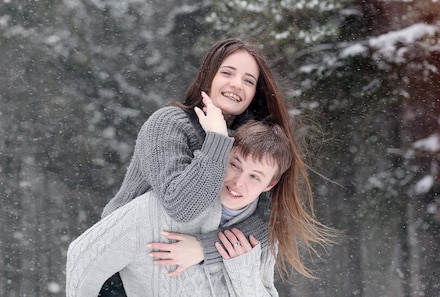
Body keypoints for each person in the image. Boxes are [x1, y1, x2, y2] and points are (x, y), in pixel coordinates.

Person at [96, 39, 301, 296]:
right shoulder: (169, 124)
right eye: (227, 72)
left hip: (184, 276)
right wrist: (216, 141)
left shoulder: (253, 145)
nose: (236, 84)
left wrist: (205, 248)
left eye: (248, 80)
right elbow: (182, 206)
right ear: (208, 75)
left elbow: (265, 221)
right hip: (128, 268)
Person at [67, 120, 325, 296]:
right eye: (235, 165)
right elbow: (82, 256)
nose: (238, 182)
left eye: (255, 177)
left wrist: (241, 266)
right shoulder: (157, 210)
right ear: (222, 157)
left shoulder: (259, 236)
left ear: (270, 184)